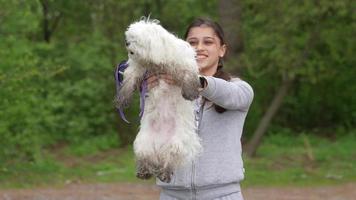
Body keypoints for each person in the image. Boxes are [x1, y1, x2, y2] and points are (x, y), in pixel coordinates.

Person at [147, 18, 254, 200]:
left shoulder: (239, 89)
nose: (199, 48)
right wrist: (149, 90)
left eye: (208, 42)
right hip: (172, 195)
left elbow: (230, 95)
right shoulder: (167, 90)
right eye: (192, 42)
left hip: (223, 195)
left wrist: (194, 81)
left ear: (222, 50)